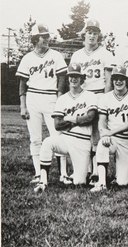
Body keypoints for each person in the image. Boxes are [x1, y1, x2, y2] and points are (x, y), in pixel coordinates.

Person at [15, 23, 68, 184]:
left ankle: (63, 174)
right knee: (35, 138)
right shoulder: (28, 58)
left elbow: (61, 78)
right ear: (35, 39)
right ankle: (38, 173)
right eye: (43, 37)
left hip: (51, 97)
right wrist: (23, 105)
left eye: (47, 36)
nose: (46, 39)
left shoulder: (56, 55)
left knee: (58, 136)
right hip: (33, 98)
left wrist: (59, 99)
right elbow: (23, 83)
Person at [33, 63, 97, 192]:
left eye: (77, 76)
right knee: (47, 142)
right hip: (66, 139)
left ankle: (80, 174)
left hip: (82, 141)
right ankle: (43, 181)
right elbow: (57, 125)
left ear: (82, 78)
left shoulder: (90, 95)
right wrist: (79, 119)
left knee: (79, 182)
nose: (74, 79)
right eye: (71, 76)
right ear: (68, 78)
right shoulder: (62, 99)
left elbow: (90, 117)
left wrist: (69, 119)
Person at [70, 19, 114, 185]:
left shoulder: (106, 53)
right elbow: (73, 79)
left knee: (97, 132)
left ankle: (96, 171)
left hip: (99, 94)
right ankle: (86, 169)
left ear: (99, 35)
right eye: (89, 32)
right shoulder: (77, 55)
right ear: (84, 34)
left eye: (95, 32)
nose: (92, 35)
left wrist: (106, 98)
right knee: (83, 131)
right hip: (83, 96)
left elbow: (108, 78)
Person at [90, 66, 128, 192]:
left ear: (127, 80)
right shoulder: (106, 97)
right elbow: (102, 120)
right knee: (101, 145)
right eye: (115, 78)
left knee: (123, 183)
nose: (118, 81)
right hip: (113, 139)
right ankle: (102, 183)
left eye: (122, 79)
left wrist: (109, 132)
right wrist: (104, 134)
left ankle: (119, 177)